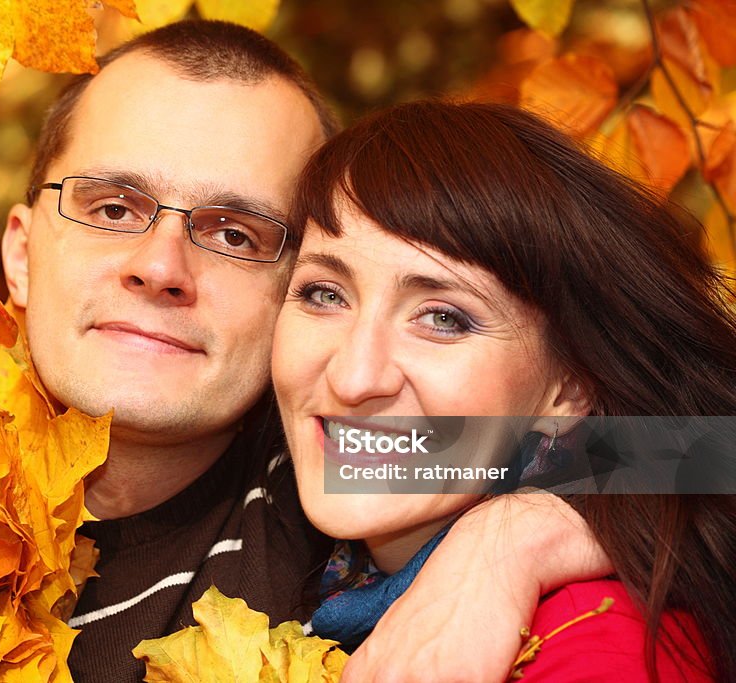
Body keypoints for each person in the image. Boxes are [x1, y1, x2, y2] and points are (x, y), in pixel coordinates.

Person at [0, 23, 610, 682]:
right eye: (110, 208)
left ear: (300, 288)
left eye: (235, 232)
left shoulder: (342, 467)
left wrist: (517, 534)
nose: (160, 266)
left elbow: (706, 454)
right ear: (22, 255)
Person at [275, 99, 736, 681]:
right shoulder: (296, 534)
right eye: (324, 294)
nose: (353, 378)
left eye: (443, 318)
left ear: (568, 387)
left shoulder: (597, 648)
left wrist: (512, 539)